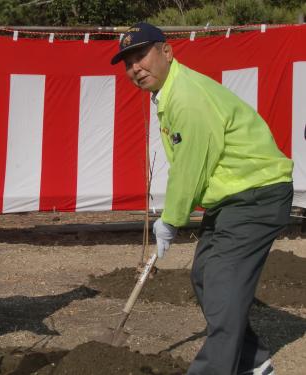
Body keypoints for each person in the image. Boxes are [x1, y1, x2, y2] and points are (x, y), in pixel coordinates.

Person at [111, 22, 292, 375]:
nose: (135, 68)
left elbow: (192, 163)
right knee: (205, 275)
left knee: (222, 280)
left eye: (141, 56)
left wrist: (171, 219)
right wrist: (171, 218)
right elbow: (186, 162)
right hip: (233, 197)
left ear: (166, 52)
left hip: (256, 193)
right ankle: (253, 361)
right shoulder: (170, 94)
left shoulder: (187, 96)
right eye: (128, 63)